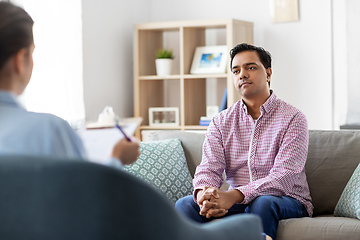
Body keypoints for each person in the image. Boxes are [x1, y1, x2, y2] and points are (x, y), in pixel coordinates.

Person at [175, 43, 313, 240]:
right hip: (237, 201)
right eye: (236, 70)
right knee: (185, 204)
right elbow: (209, 168)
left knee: (263, 202)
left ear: (268, 73)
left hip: (287, 199)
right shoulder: (221, 121)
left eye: (251, 67)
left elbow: (284, 177)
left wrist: (233, 196)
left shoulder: (293, 118)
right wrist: (205, 197)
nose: (242, 74)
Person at [0, 2, 139, 167]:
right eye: (32, 52)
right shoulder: (49, 132)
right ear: (20, 60)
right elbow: (85, 190)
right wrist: (117, 158)